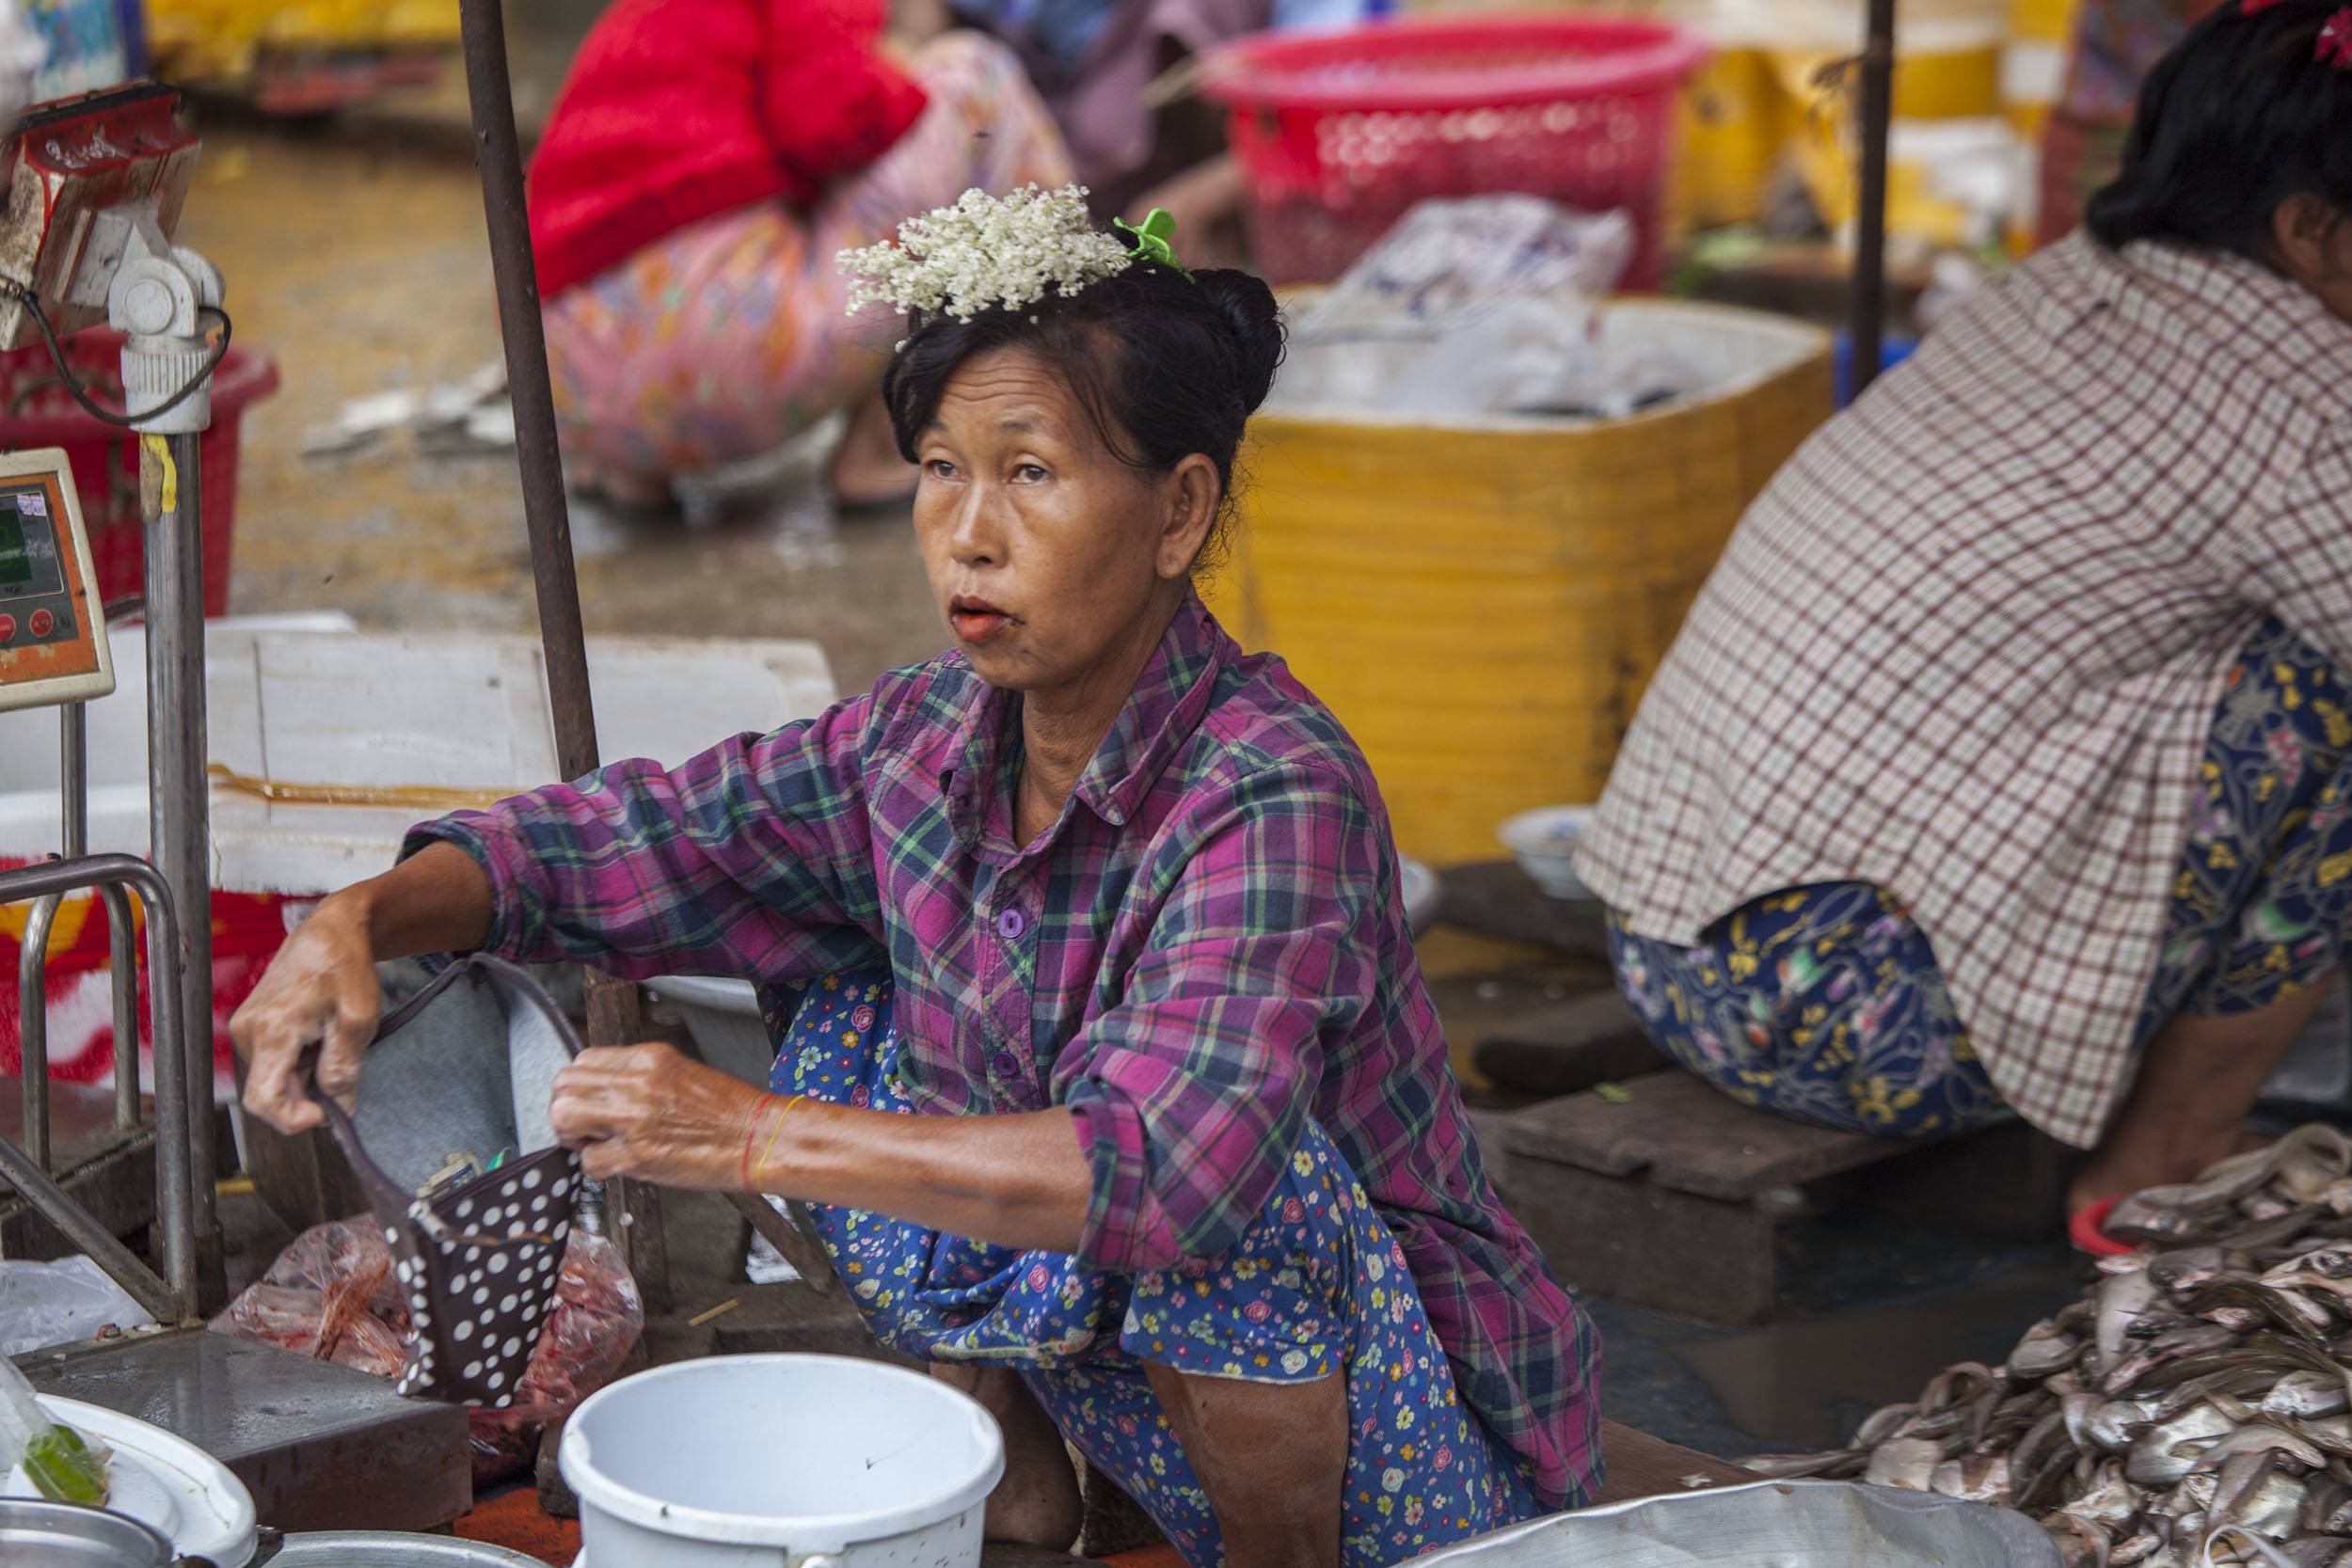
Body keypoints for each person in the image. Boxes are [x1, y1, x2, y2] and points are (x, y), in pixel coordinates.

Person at [233, 189, 1600, 1566]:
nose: (968, 529)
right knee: (855, 1001)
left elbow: (1167, 1170)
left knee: (1230, 1186)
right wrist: (362, 915)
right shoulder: (923, 738)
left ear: (1180, 510)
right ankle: (1009, 1462)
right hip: (1143, 1398)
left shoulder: (1268, 785)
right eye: (942, 468)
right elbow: (649, 836)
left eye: (1030, 470)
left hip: (1430, 1480)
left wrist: (744, 1133)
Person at [1577, 0, 2352, 1235]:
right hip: (1849, 1017)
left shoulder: (2057, 290)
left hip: (1667, 947)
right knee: (2324, 700)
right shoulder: (2305, 403)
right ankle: (2161, 1160)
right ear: (2312, 229)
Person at [525, 0, 1074, 515]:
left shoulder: (642, 16)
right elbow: (837, 121)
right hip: (728, 365)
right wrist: (899, 61)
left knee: (708, 225)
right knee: (976, 72)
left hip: (563, 389)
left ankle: (634, 474)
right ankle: (885, 448)